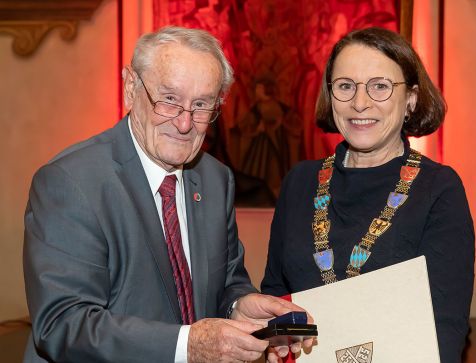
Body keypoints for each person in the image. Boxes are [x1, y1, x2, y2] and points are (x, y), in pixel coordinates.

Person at [23, 26, 312, 363]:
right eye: (170, 99)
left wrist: (238, 305)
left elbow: (226, 281)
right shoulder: (70, 182)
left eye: (202, 105)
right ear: (131, 88)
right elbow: (63, 326)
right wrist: (187, 345)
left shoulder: (215, 179)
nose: (185, 123)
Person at [261, 27, 474, 363]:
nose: (360, 103)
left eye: (380, 86)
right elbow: (276, 292)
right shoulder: (299, 182)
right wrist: (281, 338)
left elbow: (443, 329)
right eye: (345, 86)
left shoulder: (439, 189)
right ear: (331, 97)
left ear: (411, 99)